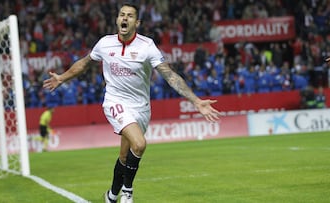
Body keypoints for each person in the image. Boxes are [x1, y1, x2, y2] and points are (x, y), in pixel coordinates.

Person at [43, 2, 221, 203]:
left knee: (125, 157)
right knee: (139, 144)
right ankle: (127, 192)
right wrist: (62, 78)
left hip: (141, 108)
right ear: (117, 19)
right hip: (115, 101)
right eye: (121, 15)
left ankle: (111, 196)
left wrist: (195, 101)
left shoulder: (147, 46)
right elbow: (84, 63)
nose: (124, 18)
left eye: (129, 16)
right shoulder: (104, 43)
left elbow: (169, 75)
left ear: (137, 23)